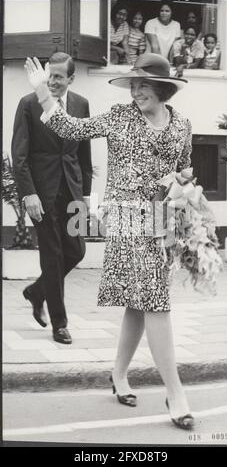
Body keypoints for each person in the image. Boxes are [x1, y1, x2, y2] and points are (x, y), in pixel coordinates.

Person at [25, 53, 194, 430]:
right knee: (155, 299)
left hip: (161, 225)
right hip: (126, 219)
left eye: (144, 85)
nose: (136, 91)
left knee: (139, 304)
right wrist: (42, 91)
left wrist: (184, 200)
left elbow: (184, 171)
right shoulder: (119, 117)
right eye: (133, 85)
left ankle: (118, 376)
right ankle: (176, 392)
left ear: (163, 88)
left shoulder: (182, 125)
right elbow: (69, 128)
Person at [12, 52, 93, 344]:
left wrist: (85, 196)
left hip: (71, 190)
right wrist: (28, 193)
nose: (53, 81)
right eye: (50, 75)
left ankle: (37, 291)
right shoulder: (28, 103)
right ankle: (60, 324)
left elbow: (84, 153)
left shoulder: (81, 104)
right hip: (42, 193)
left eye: (59, 77)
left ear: (72, 78)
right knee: (53, 255)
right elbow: (18, 156)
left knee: (77, 251)